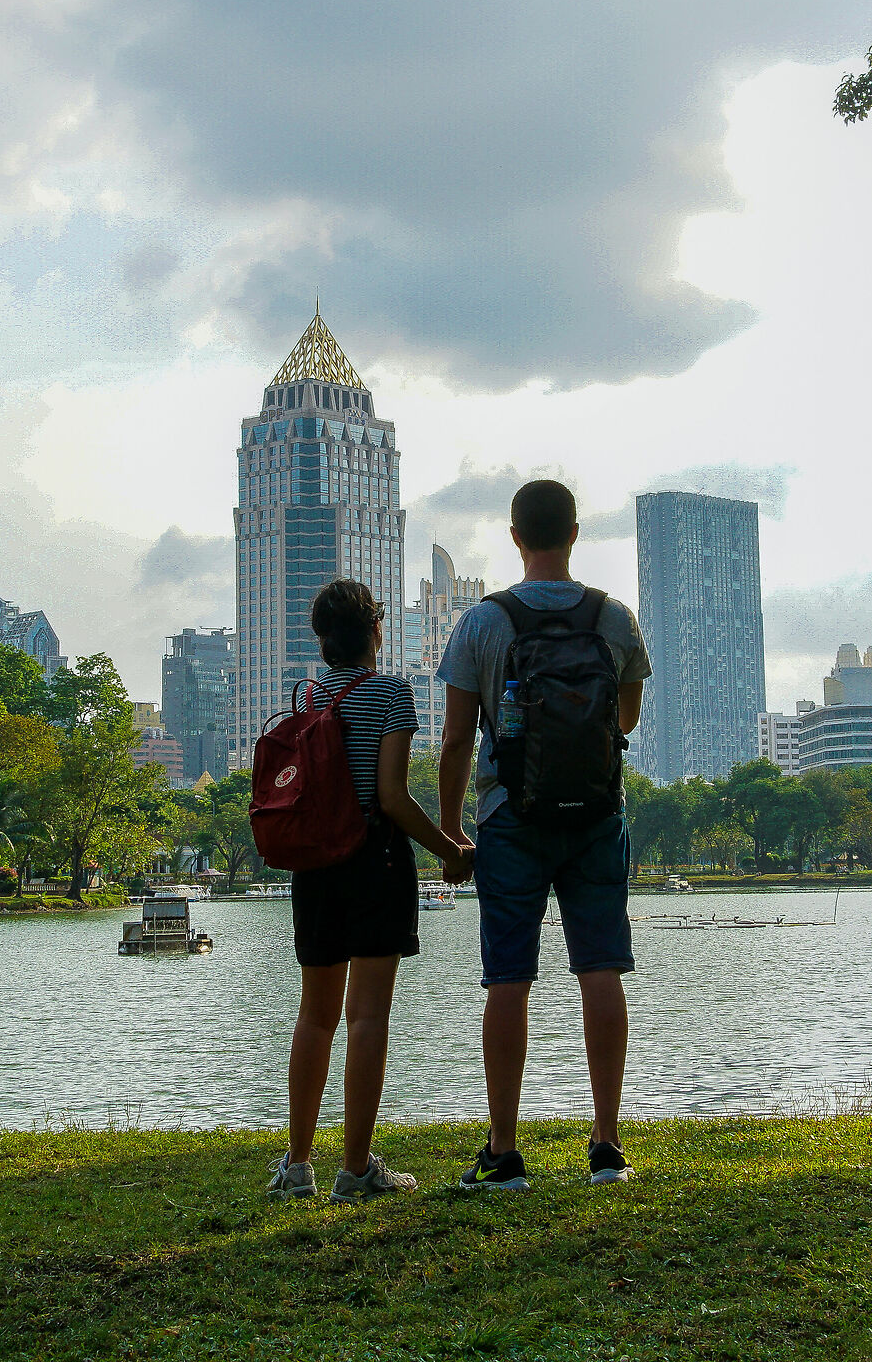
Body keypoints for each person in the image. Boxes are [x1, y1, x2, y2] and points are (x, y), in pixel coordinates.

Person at [436, 478, 649, 1190]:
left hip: (508, 822)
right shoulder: (614, 618)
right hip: (596, 816)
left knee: (508, 981)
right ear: (576, 533)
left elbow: (457, 742)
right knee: (600, 971)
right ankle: (608, 1146)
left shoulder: (481, 624)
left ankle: (503, 1152)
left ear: (515, 537)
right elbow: (625, 722)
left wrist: (448, 831)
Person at [267, 578, 475, 1205]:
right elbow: (390, 797)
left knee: (315, 1014)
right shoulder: (391, 693)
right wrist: (450, 850)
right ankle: (355, 1170)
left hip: (315, 865)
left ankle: (297, 1164)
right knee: (367, 1016)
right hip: (374, 863)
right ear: (377, 635)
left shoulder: (305, 695)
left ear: (321, 638)